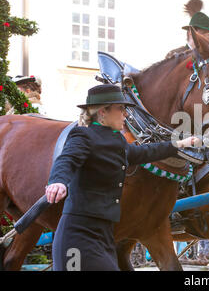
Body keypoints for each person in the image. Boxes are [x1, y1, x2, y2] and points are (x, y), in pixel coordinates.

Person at [45, 84, 200, 271]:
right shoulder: (83, 135)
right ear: (103, 112)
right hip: (78, 236)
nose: (126, 114)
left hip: (103, 234)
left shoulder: (116, 140)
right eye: (121, 109)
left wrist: (179, 144)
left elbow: (144, 152)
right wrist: (58, 181)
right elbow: (67, 159)